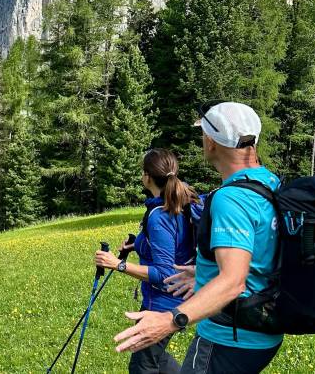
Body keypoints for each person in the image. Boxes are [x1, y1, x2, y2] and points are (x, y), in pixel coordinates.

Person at [113, 102, 283, 374]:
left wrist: (170, 320)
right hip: (263, 329)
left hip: (229, 336)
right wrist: (203, 271)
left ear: (212, 142)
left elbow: (233, 282)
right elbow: (261, 251)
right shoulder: (268, 183)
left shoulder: (231, 199)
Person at [95, 148, 199, 374]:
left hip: (161, 304)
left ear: (147, 176)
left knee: (142, 367)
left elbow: (164, 274)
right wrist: (138, 245)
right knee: (155, 358)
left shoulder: (160, 215)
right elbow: (172, 245)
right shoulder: (175, 203)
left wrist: (118, 264)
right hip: (172, 299)